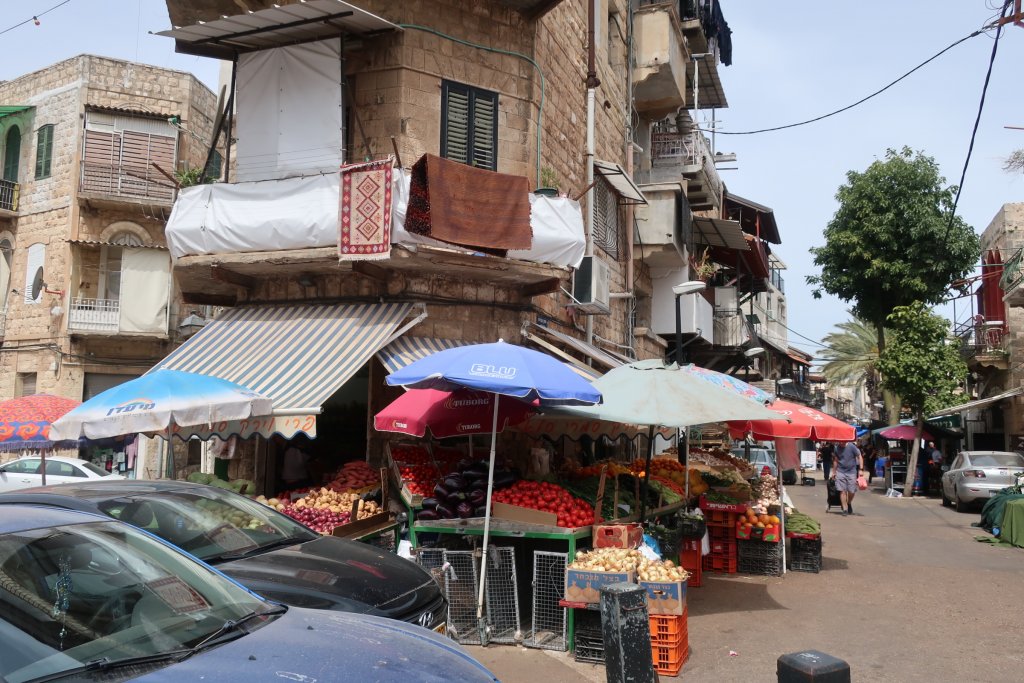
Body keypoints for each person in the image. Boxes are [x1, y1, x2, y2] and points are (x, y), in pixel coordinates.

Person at [831, 440, 864, 515]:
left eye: (842, 441)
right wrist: (834, 472)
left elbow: (859, 456)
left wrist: (861, 469)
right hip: (840, 471)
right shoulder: (836, 448)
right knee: (842, 491)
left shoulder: (852, 446)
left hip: (851, 472)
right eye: (840, 442)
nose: (841, 443)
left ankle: (849, 503)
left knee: (851, 491)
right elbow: (836, 460)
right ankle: (845, 509)